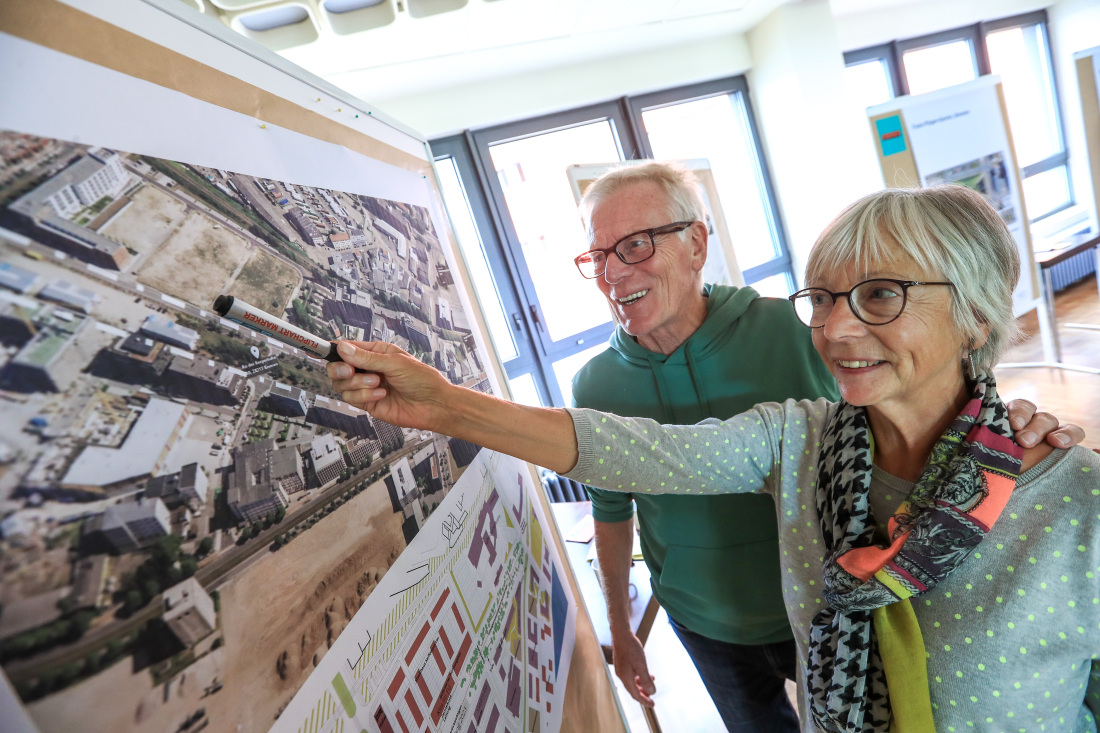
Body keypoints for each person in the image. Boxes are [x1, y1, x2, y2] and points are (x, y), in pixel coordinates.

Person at [328, 184, 1100, 732]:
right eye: (825, 299)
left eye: (880, 295)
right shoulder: (796, 439)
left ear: (973, 316)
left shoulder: (1077, 503)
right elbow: (623, 451)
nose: (834, 330)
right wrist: (443, 404)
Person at [572, 163, 1079, 731]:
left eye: (636, 245)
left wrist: (1008, 433)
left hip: (819, 603)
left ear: (695, 243)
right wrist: (620, 627)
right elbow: (612, 506)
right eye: (598, 255)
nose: (613, 270)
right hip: (706, 622)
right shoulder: (594, 386)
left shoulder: (787, 330)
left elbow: (918, 385)